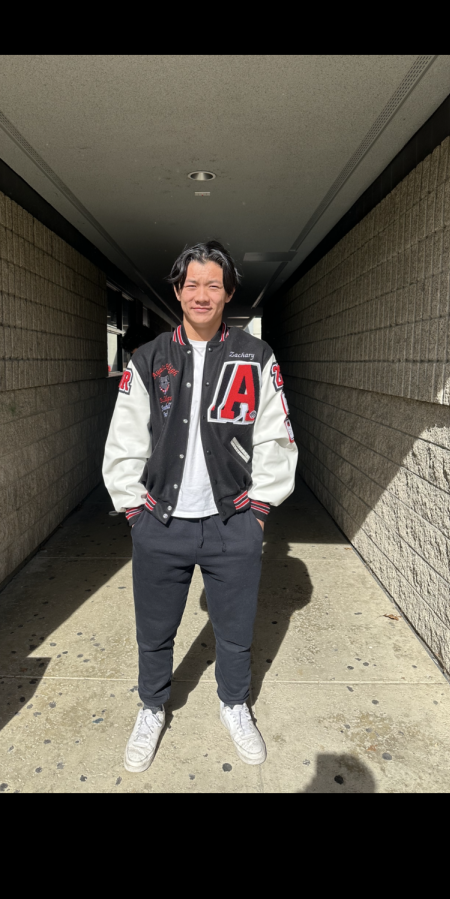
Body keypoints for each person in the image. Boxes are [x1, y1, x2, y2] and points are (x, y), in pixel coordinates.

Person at [102, 240, 298, 773]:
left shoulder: (256, 357)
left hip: (232, 522)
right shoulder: (147, 359)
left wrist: (258, 509)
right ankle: (152, 707)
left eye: (214, 284)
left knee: (234, 630)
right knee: (154, 630)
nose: (202, 294)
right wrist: (133, 510)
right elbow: (123, 442)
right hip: (160, 521)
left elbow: (275, 437)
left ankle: (234, 705)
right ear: (178, 291)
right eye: (193, 284)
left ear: (230, 292)